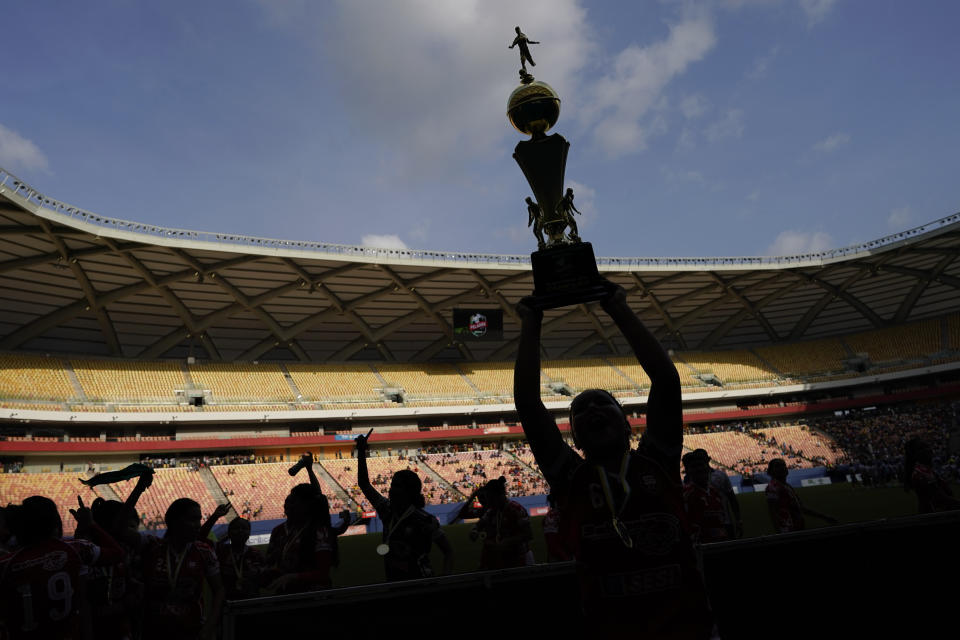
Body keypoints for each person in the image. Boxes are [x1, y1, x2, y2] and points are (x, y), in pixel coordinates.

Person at [514, 283, 713, 638]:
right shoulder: (570, 477)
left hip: (686, 626)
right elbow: (529, 404)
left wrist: (618, 307)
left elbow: (666, 380)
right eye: (580, 409)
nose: (591, 408)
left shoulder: (658, 461)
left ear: (626, 423)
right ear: (574, 436)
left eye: (602, 403)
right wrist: (531, 323)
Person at [0, 496, 121, 640]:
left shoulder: (6, 564)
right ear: (55, 523)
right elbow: (117, 553)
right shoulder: (77, 549)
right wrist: (91, 524)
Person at [355, 432, 454, 581]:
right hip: (394, 583)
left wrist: (445, 577)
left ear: (409, 491)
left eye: (397, 486)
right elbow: (364, 484)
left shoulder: (425, 520)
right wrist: (361, 451)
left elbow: (448, 552)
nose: (391, 489)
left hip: (421, 583)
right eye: (392, 485)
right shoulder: (387, 510)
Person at [140, 498, 224, 640]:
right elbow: (118, 530)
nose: (197, 525)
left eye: (198, 520)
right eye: (192, 519)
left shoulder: (204, 551)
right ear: (174, 521)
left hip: (192, 630)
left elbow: (219, 590)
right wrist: (140, 488)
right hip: (154, 630)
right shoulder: (152, 547)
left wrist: (209, 627)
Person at [468, 476, 532, 570]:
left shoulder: (516, 510)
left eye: (490, 498)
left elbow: (528, 535)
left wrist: (507, 541)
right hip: (501, 558)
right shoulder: (492, 510)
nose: (487, 501)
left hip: (519, 558)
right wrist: (474, 530)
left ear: (498, 495)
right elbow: (479, 524)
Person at [765, 459, 837, 533]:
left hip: (797, 528)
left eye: (784, 465)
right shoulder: (773, 487)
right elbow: (773, 512)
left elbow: (800, 508)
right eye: (777, 466)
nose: (782, 467)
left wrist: (824, 517)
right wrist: (780, 533)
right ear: (771, 471)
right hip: (788, 531)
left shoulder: (787, 486)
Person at [682, 450, 731, 544]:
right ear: (688, 471)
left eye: (701, 465)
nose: (699, 469)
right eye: (694, 466)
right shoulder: (686, 495)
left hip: (721, 543)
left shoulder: (715, 492)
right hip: (701, 547)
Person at [903, 438, 960, 513]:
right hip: (930, 517)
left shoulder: (928, 471)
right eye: (924, 448)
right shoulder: (919, 474)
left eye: (928, 446)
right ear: (916, 454)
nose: (929, 450)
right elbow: (939, 498)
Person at [216, 517, 264, 600]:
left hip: (252, 602)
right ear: (229, 533)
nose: (240, 530)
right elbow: (201, 539)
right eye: (236, 528)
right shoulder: (220, 551)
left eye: (244, 528)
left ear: (249, 533)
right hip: (226, 603)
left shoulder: (256, 554)